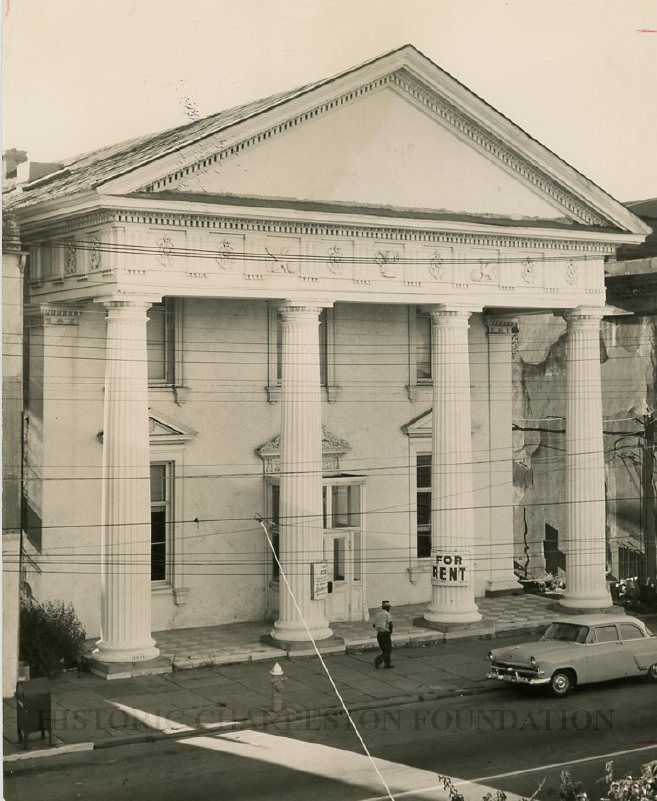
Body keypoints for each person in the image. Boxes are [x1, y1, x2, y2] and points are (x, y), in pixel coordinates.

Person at [372, 600, 393, 669]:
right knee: (388, 650)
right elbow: (390, 624)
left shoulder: (377, 614)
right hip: (385, 633)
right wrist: (390, 631)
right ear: (387, 608)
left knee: (384, 650)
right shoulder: (387, 614)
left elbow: (374, 625)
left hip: (379, 634)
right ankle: (378, 660)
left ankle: (387, 664)